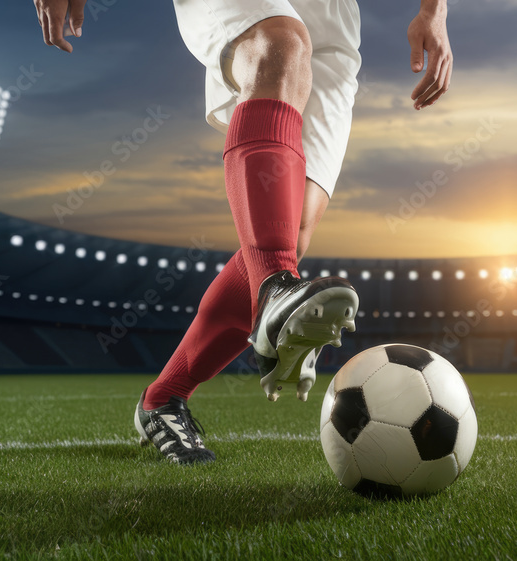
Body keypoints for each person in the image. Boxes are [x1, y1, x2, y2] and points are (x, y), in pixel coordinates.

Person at [33, 0, 453, 464]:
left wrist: (435, 11)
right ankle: (274, 288)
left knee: (287, 233)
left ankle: (163, 398)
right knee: (279, 44)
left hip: (334, 17)